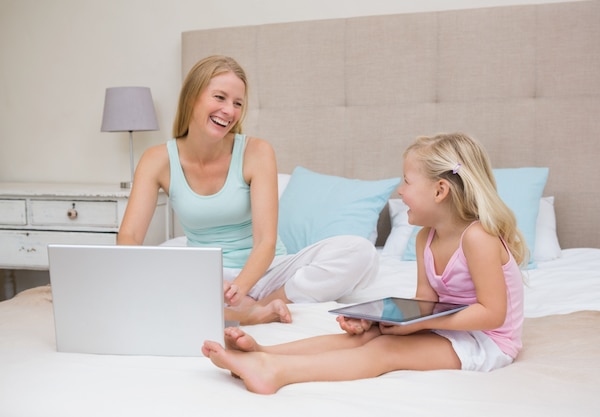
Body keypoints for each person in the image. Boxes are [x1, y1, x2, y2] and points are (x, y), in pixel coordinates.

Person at [201, 132, 529, 394]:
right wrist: (381, 320)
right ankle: (264, 353)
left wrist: (413, 327)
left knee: (387, 350)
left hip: (487, 340)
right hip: (449, 327)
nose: (399, 191)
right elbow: (426, 304)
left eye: (406, 181)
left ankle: (275, 373)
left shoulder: (478, 238)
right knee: (363, 338)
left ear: (440, 190)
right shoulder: (424, 238)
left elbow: (492, 313)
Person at [117, 55, 378, 326]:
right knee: (157, 260)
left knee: (359, 251)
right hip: (204, 274)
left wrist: (238, 289)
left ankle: (256, 310)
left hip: (267, 273)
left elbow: (265, 241)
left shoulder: (257, 152)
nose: (229, 111)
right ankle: (240, 312)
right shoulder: (156, 159)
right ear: (192, 97)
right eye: (219, 97)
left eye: (237, 103)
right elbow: (129, 236)